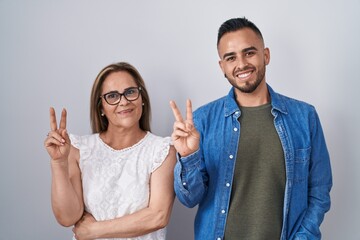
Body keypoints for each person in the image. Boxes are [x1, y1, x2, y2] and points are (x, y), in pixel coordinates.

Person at [170, 17, 332, 240]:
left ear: (265, 55)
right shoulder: (201, 121)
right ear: (222, 66)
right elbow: (189, 199)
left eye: (249, 53)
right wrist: (188, 156)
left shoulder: (305, 117)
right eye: (231, 57)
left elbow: (319, 191)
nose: (241, 64)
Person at [44, 62, 176, 240]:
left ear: (141, 98)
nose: (123, 101)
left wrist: (94, 230)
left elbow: (157, 216)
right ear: (101, 108)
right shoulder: (80, 149)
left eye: (130, 92)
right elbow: (68, 217)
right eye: (112, 96)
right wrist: (58, 163)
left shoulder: (161, 151)